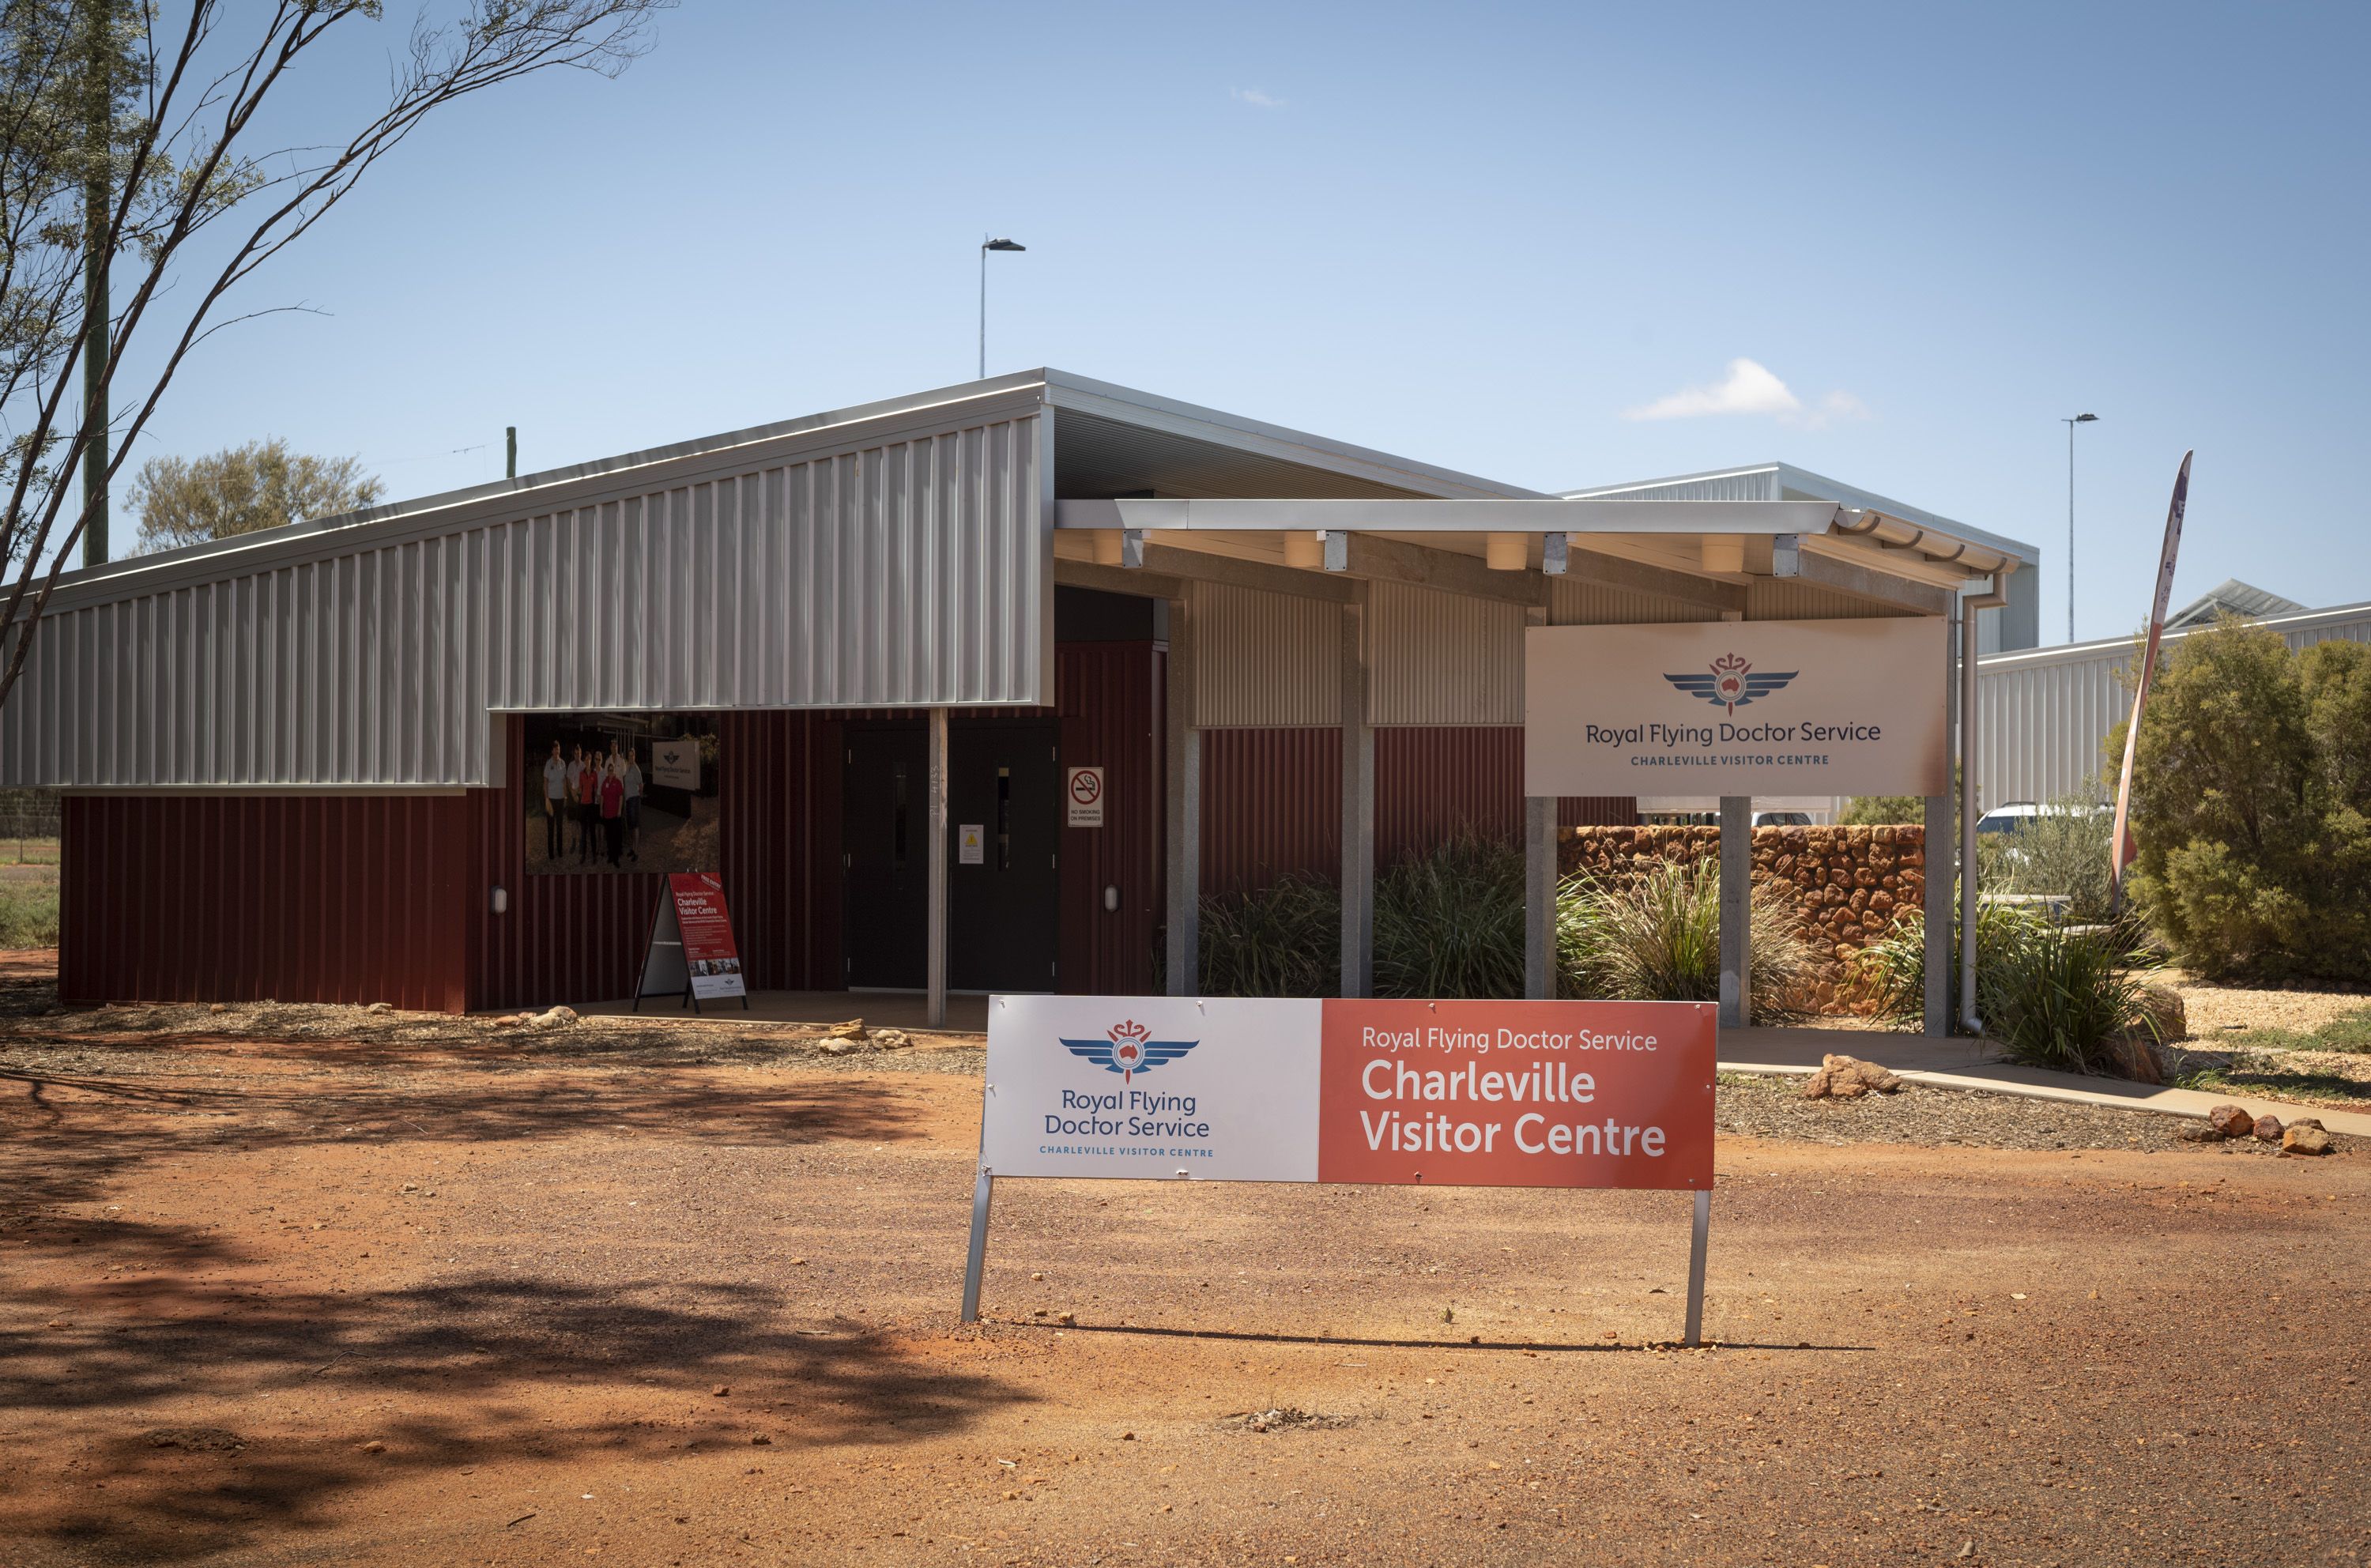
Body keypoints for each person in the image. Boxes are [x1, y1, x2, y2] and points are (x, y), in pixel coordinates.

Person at [541, 741, 568, 861]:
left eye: (559, 749)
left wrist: (566, 796)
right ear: (552, 751)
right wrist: (546, 799)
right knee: (551, 827)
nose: (557, 751)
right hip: (551, 800)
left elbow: (564, 782)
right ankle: (551, 854)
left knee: (560, 827)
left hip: (561, 799)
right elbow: (545, 783)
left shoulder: (563, 763)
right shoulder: (548, 764)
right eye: (555, 749)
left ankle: (560, 851)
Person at [599, 755, 627, 868]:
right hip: (606, 814)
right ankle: (610, 856)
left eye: (612, 770)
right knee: (609, 836)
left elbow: (621, 797)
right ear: (607, 771)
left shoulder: (618, 782)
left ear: (614, 771)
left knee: (615, 837)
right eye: (609, 770)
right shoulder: (605, 782)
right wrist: (601, 808)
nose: (610, 772)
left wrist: (620, 810)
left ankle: (616, 858)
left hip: (615, 814)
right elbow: (602, 797)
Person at [578, 748, 603, 866]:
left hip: (592, 806)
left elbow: (596, 789)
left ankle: (594, 856)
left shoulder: (594, 774)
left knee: (592, 832)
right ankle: (583, 856)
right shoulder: (581, 774)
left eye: (590, 759)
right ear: (584, 761)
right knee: (583, 832)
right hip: (583, 806)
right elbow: (580, 789)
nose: (588, 761)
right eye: (586, 759)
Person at [622, 748, 645, 863]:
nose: (631, 758)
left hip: (634, 800)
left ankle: (636, 852)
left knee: (635, 826)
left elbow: (641, 785)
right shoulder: (628, 767)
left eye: (632, 756)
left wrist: (638, 796)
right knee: (631, 826)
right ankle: (632, 848)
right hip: (628, 800)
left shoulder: (636, 769)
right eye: (629, 756)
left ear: (635, 756)